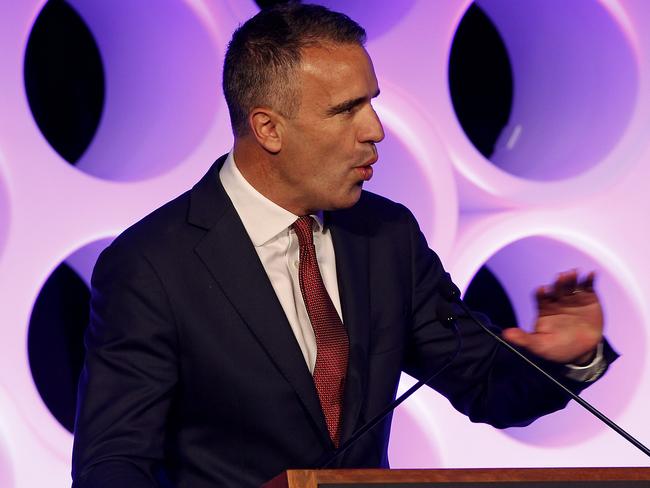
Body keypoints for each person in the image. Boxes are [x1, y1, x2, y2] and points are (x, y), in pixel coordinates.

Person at [71, 3, 616, 487]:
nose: (375, 129)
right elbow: (114, 464)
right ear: (268, 129)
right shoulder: (152, 266)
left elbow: (485, 385)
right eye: (346, 109)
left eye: (371, 103)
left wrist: (568, 358)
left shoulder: (386, 238)